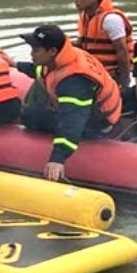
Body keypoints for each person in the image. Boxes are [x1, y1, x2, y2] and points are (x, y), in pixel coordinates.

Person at [17, 24, 122, 181]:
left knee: (30, 115)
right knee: (39, 96)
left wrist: (57, 158)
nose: (32, 54)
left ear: (52, 51)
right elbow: (40, 71)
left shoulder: (73, 81)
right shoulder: (67, 56)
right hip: (97, 108)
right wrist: (15, 65)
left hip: (97, 123)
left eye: (36, 50)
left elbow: (72, 121)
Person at [69, 0, 134, 88]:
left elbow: (122, 53)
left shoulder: (111, 20)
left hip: (110, 75)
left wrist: (125, 83)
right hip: (92, 72)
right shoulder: (85, 17)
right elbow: (84, 44)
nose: (75, 0)